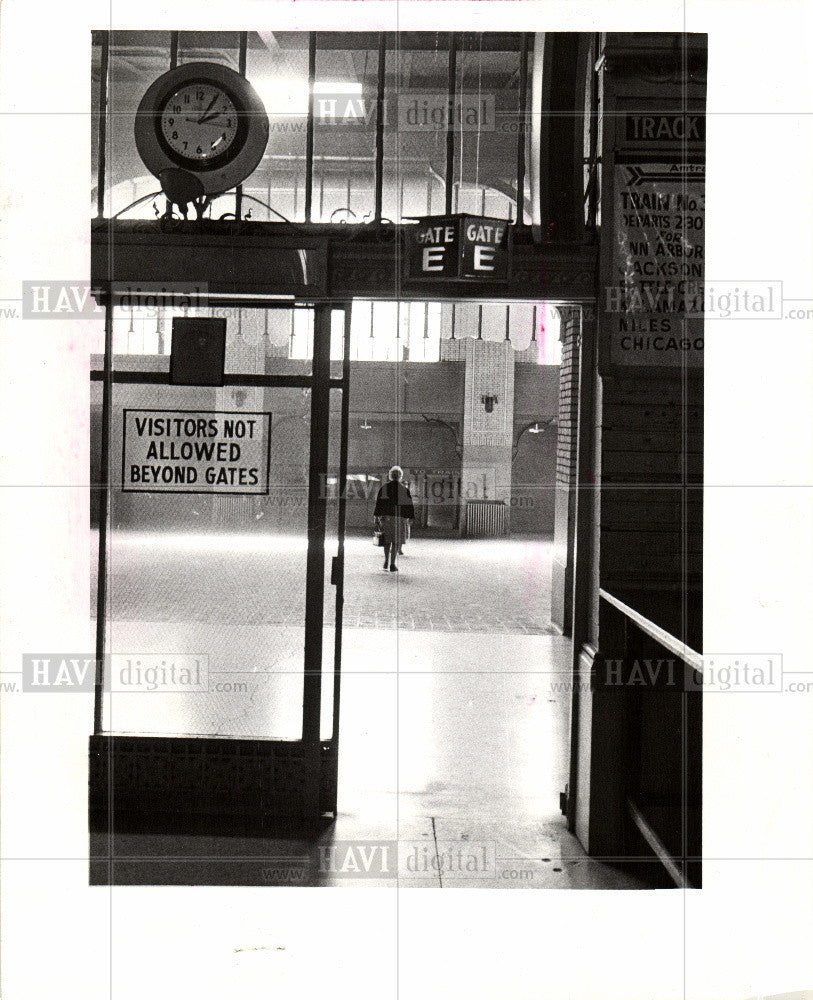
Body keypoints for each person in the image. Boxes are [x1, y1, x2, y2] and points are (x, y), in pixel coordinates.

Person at [373, 466, 415, 572]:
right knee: (396, 542)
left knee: (387, 540)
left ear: (390, 476)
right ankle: (392, 563)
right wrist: (410, 517)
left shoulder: (384, 488)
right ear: (400, 476)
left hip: (386, 518)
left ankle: (386, 560)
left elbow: (379, 504)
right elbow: (409, 505)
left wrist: (377, 517)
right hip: (399, 519)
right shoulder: (404, 489)